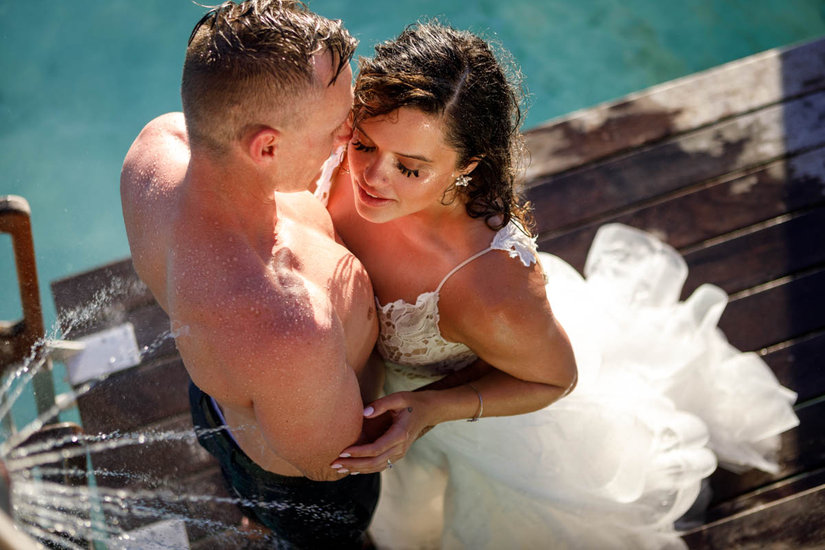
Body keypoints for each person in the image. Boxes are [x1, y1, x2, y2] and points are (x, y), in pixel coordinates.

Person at [315, 22, 800, 549]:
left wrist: (432, 408)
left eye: (410, 169)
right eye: (364, 143)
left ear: (467, 167)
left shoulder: (490, 285)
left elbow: (555, 379)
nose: (371, 175)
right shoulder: (340, 154)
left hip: (453, 416)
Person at [120, 1, 386, 547]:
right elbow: (329, 465)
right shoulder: (287, 323)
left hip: (219, 401)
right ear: (265, 146)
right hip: (300, 485)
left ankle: (252, 512)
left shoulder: (155, 149)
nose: (350, 137)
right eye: (337, 128)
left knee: (234, 457)